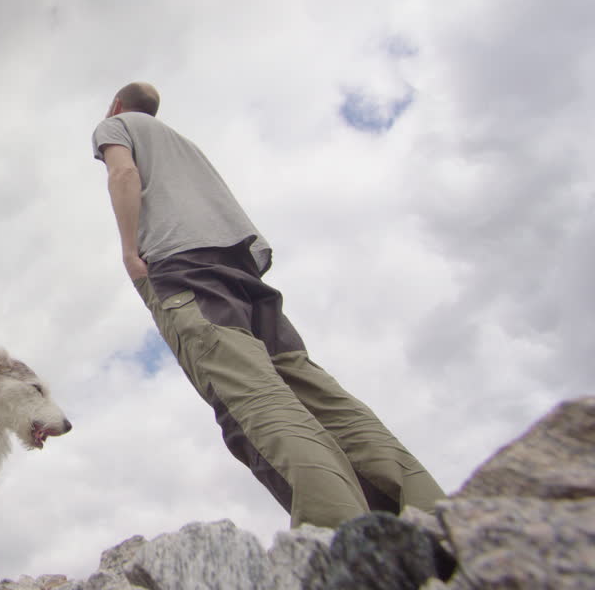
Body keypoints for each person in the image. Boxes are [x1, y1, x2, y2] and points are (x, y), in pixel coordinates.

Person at [92, 81, 445, 529]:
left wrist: (129, 251)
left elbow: (123, 175)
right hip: (242, 269)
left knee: (249, 399)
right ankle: (429, 514)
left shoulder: (115, 125)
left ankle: (339, 533)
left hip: (185, 271)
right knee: (313, 391)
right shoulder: (184, 146)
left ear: (119, 105)